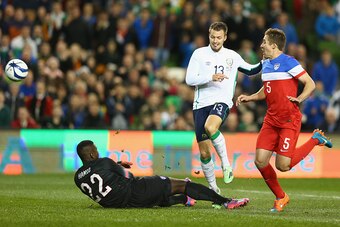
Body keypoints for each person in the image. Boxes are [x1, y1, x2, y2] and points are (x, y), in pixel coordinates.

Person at [236, 28, 333, 212]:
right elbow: (267, 90)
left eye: (264, 42)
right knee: (260, 161)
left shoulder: (289, 62)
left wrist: (300, 98)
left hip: (289, 120)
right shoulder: (265, 64)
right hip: (271, 120)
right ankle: (281, 197)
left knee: (283, 166)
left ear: (273, 45)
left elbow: (310, 83)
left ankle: (315, 139)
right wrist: (251, 97)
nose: (261, 45)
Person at [185, 21, 262, 193]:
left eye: (219, 37)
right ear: (209, 35)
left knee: (210, 127)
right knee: (204, 154)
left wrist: (266, 61)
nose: (215, 40)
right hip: (201, 104)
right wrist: (210, 76)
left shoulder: (232, 56)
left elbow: (250, 70)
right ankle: (214, 190)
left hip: (222, 100)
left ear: (225, 37)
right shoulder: (199, 54)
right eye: (212, 37)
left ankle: (226, 165)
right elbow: (189, 80)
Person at [74, 140, 249, 209]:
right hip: (135, 192)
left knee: (157, 196)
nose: (97, 152)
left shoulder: (78, 177)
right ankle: (225, 201)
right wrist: (117, 167)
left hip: (122, 205)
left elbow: (99, 177)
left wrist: (114, 166)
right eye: (95, 150)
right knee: (180, 184)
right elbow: (128, 177)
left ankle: (183, 199)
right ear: (91, 154)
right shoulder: (104, 162)